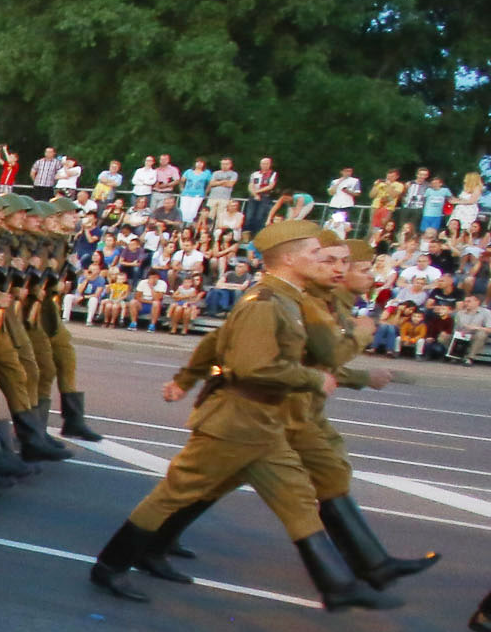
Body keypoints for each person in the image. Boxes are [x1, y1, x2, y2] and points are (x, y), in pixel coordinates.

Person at [89, 219, 399, 610]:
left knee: (298, 497)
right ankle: (110, 566)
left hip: (264, 421)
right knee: (173, 494)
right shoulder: (265, 303)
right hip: (234, 419)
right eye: (314, 254)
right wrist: (311, 379)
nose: (323, 261)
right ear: (289, 258)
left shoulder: (288, 300)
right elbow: (254, 367)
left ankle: (337, 585)